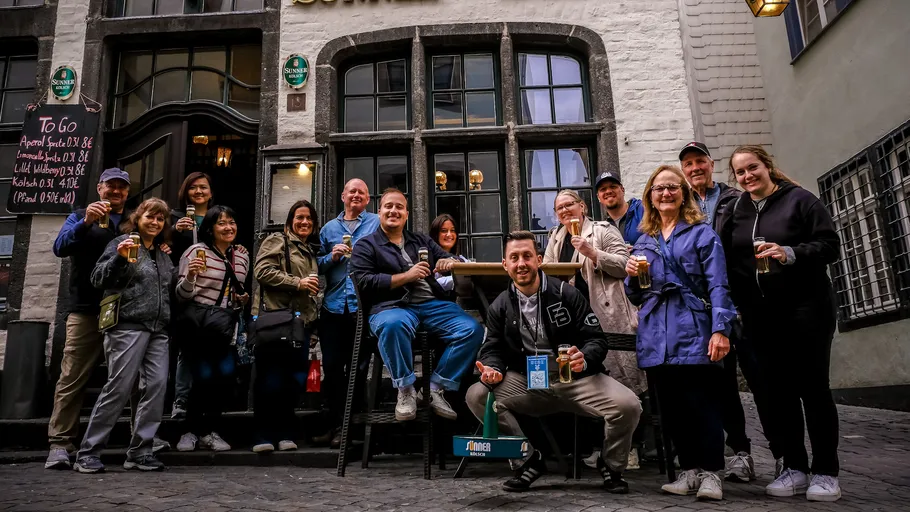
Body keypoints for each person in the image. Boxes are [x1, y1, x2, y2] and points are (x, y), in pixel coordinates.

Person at [469, 231, 642, 493]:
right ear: (505, 265)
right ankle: (528, 460)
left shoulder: (566, 294)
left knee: (629, 405)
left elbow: (596, 340)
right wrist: (491, 368)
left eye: (527, 256)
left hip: (575, 380)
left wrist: (584, 358)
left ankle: (611, 465)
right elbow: (492, 347)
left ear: (539, 260)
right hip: (528, 382)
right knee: (477, 395)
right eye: (514, 258)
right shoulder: (500, 306)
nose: (521, 263)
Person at [720, 145, 842, 502]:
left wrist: (790, 253)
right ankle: (795, 467)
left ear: (767, 167)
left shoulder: (800, 200)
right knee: (779, 394)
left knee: (814, 390)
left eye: (752, 168)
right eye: (740, 172)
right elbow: (729, 261)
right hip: (761, 315)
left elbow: (830, 246)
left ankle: (825, 471)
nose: (747, 176)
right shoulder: (737, 209)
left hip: (807, 309)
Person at [624, 164, 736, 500]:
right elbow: (637, 295)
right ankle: (688, 470)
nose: (666, 193)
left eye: (673, 187)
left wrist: (721, 330)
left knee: (702, 405)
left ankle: (712, 473)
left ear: (683, 194)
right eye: (659, 189)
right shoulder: (645, 241)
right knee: (671, 409)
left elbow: (718, 285)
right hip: (657, 332)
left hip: (693, 326)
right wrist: (631, 275)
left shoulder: (702, 234)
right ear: (650, 198)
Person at [679, 141, 771, 483]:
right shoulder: (683, 206)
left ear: (710, 164)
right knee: (724, 387)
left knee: (763, 382)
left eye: (699, 161)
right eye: (688, 164)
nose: (694, 168)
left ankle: (783, 457)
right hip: (711, 312)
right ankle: (741, 453)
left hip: (744, 305)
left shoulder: (736, 199)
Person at [350, 188, 483, 422]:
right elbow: (363, 282)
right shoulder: (366, 245)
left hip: (432, 306)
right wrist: (406, 277)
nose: (394, 211)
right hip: (391, 307)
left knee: (472, 329)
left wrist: (447, 260)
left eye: (399, 207)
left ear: (407, 214)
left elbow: (450, 257)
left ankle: (433, 389)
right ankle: (405, 390)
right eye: (389, 206)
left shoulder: (420, 240)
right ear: (379, 211)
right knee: (392, 326)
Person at [542, 190, 647, 466]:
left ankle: (629, 449)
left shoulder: (603, 229)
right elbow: (551, 273)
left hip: (607, 313)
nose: (565, 211)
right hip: (575, 318)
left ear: (582, 206)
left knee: (621, 377)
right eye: (559, 208)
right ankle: (596, 446)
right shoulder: (556, 237)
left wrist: (592, 252)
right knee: (588, 378)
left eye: (569, 205)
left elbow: (626, 266)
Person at [74, 198, 175, 474]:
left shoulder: (163, 254)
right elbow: (98, 278)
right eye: (149, 217)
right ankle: (89, 452)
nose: (155, 223)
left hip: (158, 329)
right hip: (127, 325)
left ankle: (141, 451)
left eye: (160, 219)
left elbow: (168, 289)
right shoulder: (121, 243)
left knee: (156, 388)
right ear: (137, 219)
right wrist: (119, 257)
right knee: (119, 387)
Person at [46, 168, 132, 469]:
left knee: (130, 377)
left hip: (125, 310)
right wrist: (86, 222)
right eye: (111, 186)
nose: (116, 192)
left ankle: (138, 441)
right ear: (100, 189)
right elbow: (60, 247)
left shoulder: (133, 220)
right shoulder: (80, 216)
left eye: (122, 187)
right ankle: (60, 443)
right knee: (72, 377)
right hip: (85, 308)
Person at [173, 206, 250, 453]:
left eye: (232, 222)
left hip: (223, 325)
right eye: (221, 223)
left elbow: (235, 293)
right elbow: (181, 295)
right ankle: (190, 431)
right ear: (209, 228)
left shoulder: (241, 257)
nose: (228, 228)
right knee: (202, 376)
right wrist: (190, 277)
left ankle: (210, 431)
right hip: (197, 323)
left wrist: (241, 299)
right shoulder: (195, 252)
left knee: (223, 377)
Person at [314, 178, 380, 448]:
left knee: (359, 369)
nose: (356, 195)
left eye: (361, 192)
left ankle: (352, 431)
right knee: (331, 368)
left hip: (363, 307)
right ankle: (334, 425)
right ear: (343, 195)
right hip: (333, 307)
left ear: (367, 199)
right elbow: (315, 265)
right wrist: (332, 257)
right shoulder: (329, 228)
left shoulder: (376, 222)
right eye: (352, 191)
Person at [252, 200, 321, 453]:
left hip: (298, 324)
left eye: (309, 219)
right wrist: (298, 282)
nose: (304, 222)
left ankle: (285, 433)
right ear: (290, 220)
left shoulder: (308, 250)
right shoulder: (276, 241)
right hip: (276, 320)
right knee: (270, 379)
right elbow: (262, 271)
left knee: (292, 380)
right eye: (299, 217)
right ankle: (263, 435)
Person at [169, 172, 214, 419]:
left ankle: (203, 403)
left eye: (203, 188)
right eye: (193, 188)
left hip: (212, 287)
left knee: (209, 347)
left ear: (210, 192)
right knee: (186, 347)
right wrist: (174, 231)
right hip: (183, 286)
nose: (198, 192)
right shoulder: (175, 217)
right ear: (185, 192)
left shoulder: (215, 216)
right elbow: (161, 245)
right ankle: (181, 400)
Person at [595, 171, 644, 245]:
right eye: (603, 189)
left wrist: (636, 249)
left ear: (622, 190)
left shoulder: (642, 210)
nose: (608, 191)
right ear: (598, 197)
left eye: (613, 187)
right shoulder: (604, 227)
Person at [429, 213, 470, 292]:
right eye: (444, 231)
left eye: (452, 230)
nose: (449, 234)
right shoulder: (429, 259)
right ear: (435, 234)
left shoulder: (461, 258)